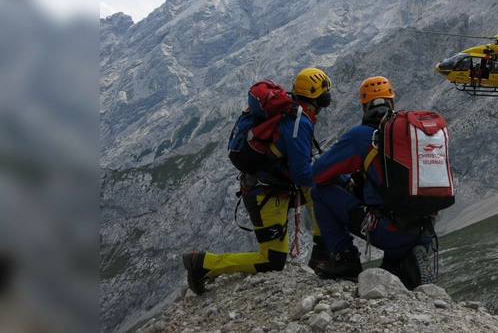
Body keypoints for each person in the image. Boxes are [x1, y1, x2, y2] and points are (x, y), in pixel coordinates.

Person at [182, 67, 338, 295]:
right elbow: (302, 174)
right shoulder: (299, 121)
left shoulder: (292, 113)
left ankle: (321, 256)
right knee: (272, 260)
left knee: (327, 194)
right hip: (267, 195)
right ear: (322, 97)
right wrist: (336, 173)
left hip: (270, 189)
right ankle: (202, 263)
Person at [310, 76, 435, 289]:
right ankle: (405, 263)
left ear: (363, 106)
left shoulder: (361, 136)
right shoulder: (413, 132)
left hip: (388, 232)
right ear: (392, 103)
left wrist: (345, 180)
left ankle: (345, 259)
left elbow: (319, 174)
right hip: (425, 229)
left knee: (319, 191)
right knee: (390, 277)